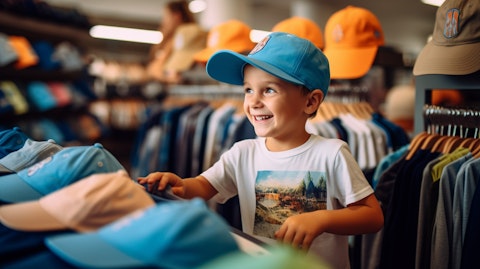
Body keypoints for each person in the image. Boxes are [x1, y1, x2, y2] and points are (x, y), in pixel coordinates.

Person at [138, 32, 384, 268]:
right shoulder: (242, 153)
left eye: (269, 90)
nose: (254, 101)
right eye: (248, 90)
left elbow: (372, 216)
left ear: (310, 102)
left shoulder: (332, 153)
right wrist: (179, 185)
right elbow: (203, 186)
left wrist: (321, 219)